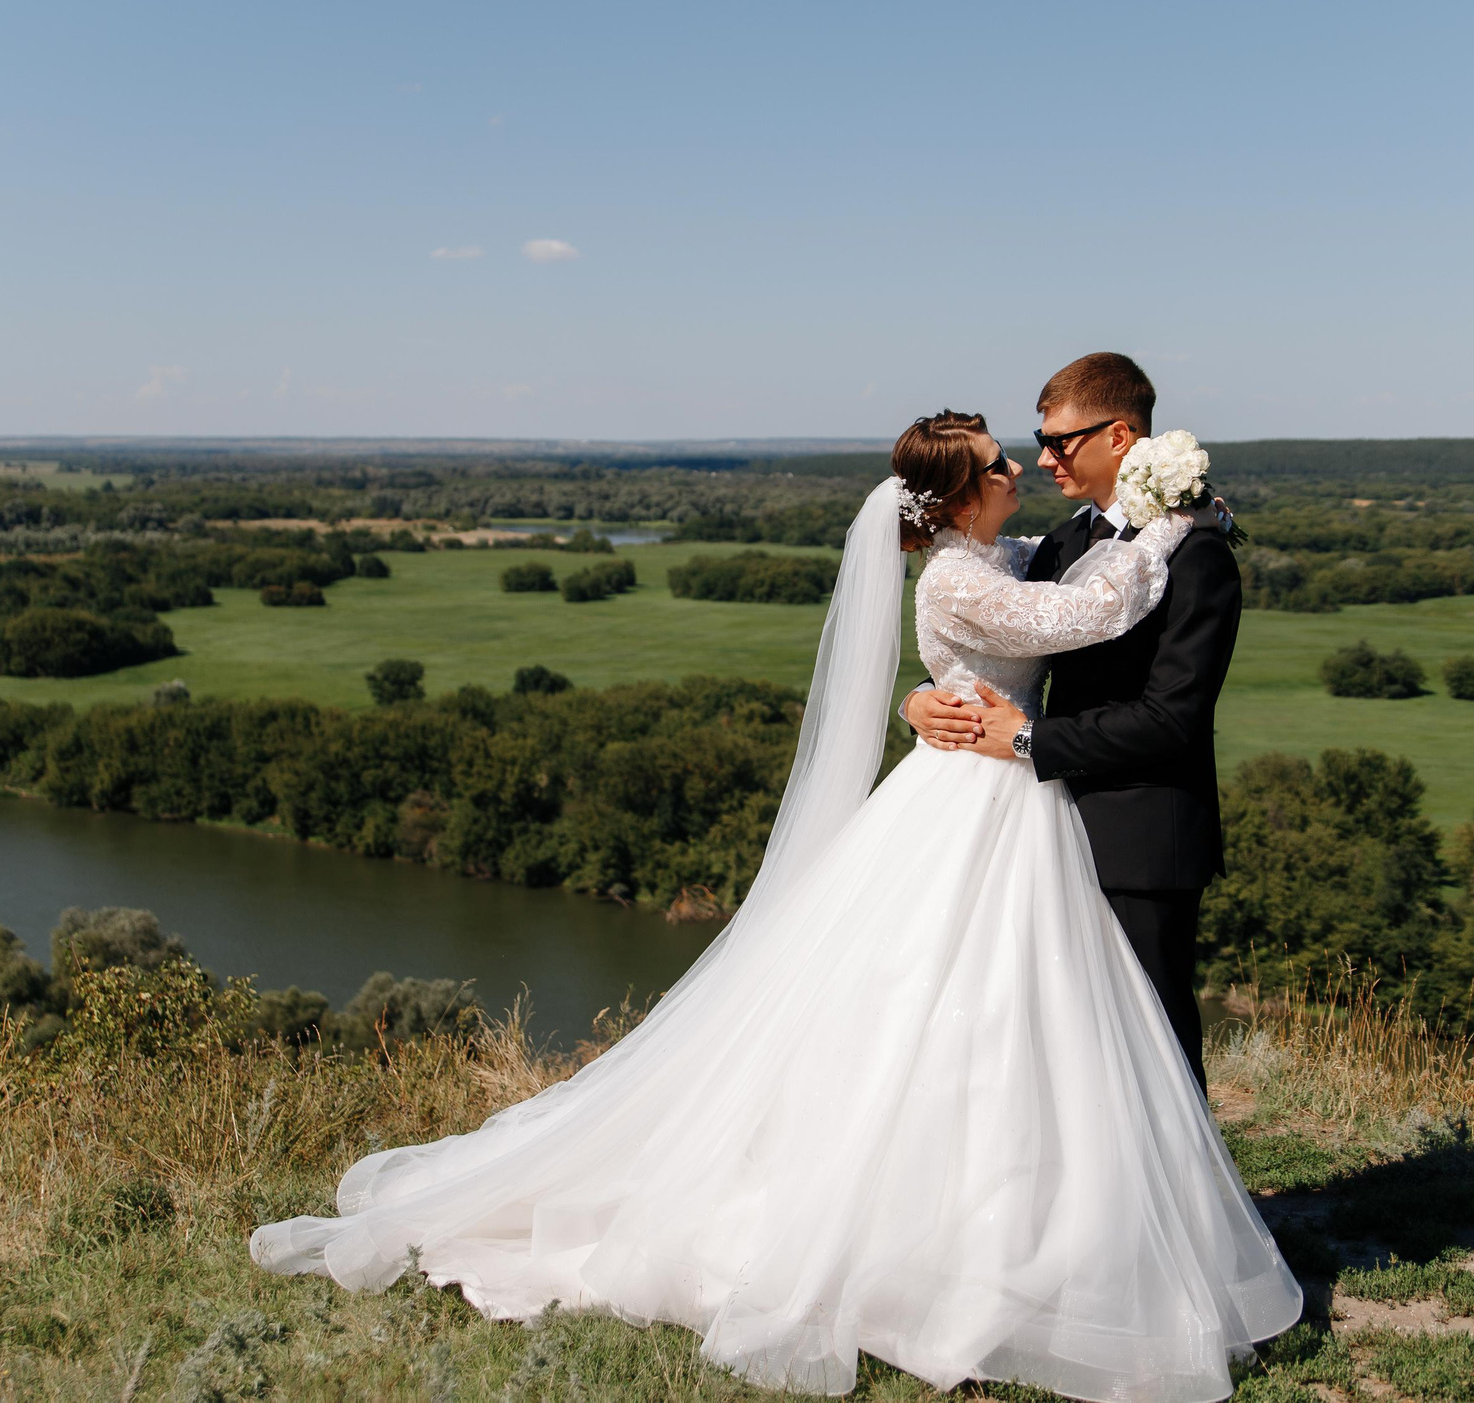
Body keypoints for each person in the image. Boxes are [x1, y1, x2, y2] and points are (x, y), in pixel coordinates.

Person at [250, 408, 1298, 1402]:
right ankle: (934, 1252)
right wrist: (1170, 526)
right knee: (943, 1017)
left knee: (1007, 1020)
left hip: (1003, 799)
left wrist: (933, 688)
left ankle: (1045, 1231)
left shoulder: (990, 561)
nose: (1014, 468)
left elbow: (1025, 611)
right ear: (950, 498)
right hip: (972, 802)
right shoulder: (955, 581)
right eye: (993, 463)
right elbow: (1089, 610)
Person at [905, 352, 1236, 1094]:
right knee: (1057, 1053)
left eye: (1060, 441)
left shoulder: (1198, 553)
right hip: (1038, 828)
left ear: (1120, 436)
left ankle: (1180, 1208)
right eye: (1036, 439)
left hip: (1139, 833)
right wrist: (920, 696)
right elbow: (981, 637)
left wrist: (1028, 740)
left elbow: (1171, 721)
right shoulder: (1061, 545)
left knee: (1153, 1047)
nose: (1040, 458)